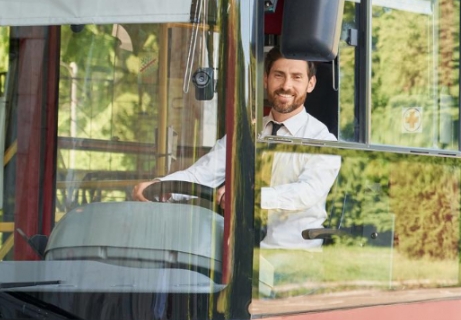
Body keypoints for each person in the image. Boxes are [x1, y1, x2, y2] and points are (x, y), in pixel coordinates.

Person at [132, 48, 340, 251]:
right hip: (238, 256)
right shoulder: (246, 132)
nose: (286, 85)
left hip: (291, 258)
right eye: (279, 75)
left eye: (296, 77)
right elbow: (204, 173)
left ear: (310, 84)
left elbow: (306, 193)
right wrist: (161, 185)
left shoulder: (322, 140)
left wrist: (246, 196)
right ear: (266, 79)